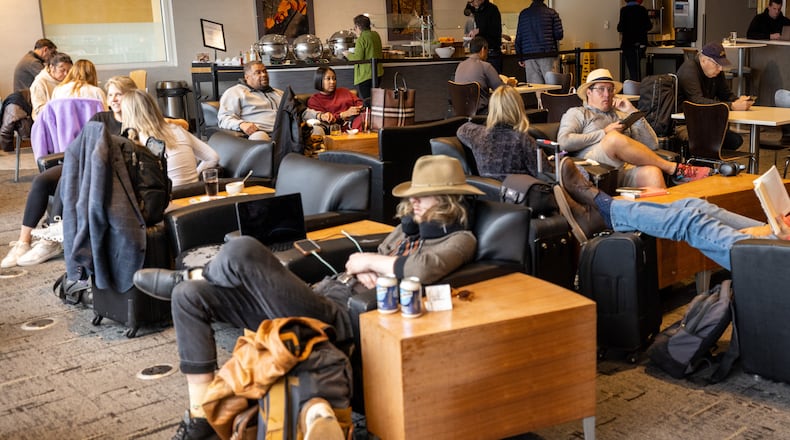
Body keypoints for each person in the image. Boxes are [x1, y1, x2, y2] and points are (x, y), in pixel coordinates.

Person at [131, 155, 482, 439]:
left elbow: (422, 269)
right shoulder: (405, 233)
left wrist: (368, 261)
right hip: (319, 294)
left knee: (243, 249)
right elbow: (393, 265)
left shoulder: (458, 240)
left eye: (425, 194)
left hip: (336, 316)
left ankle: (189, 272)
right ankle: (201, 413)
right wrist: (376, 265)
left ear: (449, 199)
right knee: (190, 297)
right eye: (412, 194)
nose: (413, 201)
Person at [554, 155, 785, 270]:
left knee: (690, 220)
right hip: (781, 237)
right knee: (695, 206)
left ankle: (601, 208)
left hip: (781, 255)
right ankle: (598, 216)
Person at [1, 76, 136, 269]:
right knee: (42, 180)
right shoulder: (100, 118)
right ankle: (24, 241)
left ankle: (51, 240)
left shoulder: (135, 121)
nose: (113, 99)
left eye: (119, 95)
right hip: (84, 163)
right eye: (111, 94)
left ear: (131, 96)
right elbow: (79, 147)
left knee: (68, 178)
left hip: (108, 173)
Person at [557, 68, 712, 188]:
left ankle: (664, 221)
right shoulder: (578, 113)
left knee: (653, 172)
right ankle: (674, 169)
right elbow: (563, 142)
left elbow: (652, 145)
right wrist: (604, 132)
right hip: (593, 166)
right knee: (614, 139)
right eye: (601, 89)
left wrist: (632, 112)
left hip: (622, 169)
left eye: (610, 90)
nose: (607, 94)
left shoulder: (620, 115)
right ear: (589, 92)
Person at [121, 89, 219, 187]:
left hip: (168, 198)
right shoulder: (178, 129)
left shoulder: (139, 140)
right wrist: (195, 174)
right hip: (193, 192)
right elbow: (213, 157)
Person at [456, 85, 549, 180]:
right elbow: (546, 174)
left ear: (492, 109)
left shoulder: (478, 135)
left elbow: (462, 129)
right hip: (520, 193)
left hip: (490, 193)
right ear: (518, 108)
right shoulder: (523, 140)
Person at [676, 42, 751, 150]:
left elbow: (726, 94)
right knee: (727, 140)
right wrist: (731, 106)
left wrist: (739, 100)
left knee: (735, 140)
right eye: (717, 64)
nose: (720, 68)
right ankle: (705, 164)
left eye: (721, 64)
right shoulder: (689, 70)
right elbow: (697, 101)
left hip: (706, 122)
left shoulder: (716, 72)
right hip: (686, 124)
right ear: (703, 60)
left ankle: (712, 164)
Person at [217, 61, 283, 141]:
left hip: (286, 132)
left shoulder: (279, 93)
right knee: (259, 137)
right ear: (247, 77)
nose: (264, 75)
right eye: (258, 72)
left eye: (265, 71)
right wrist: (242, 124)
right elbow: (224, 119)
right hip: (261, 132)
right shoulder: (235, 92)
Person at [454, 37, 516, 114]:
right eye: (488, 51)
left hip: (461, 111)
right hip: (481, 111)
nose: (487, 54)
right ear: (483, 49)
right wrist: (509, 84)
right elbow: (500, 89)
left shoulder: (460, 65)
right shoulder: (485, 66)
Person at [515, 0, 564, 84]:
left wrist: (520, 56)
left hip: (529, 55)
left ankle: (539, 98)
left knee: (536, 86)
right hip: (547, 53)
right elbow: (559, 35)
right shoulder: (552, 13)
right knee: (552, 84)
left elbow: (519, 37)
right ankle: (550, 97)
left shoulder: (523, 14)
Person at [304, 66, 364, 132]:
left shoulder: (344, 91)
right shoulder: (314, 101)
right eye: (328, 79)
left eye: (334, 78)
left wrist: (358, 109)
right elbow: (324, 120)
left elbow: (360, 104)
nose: (332, 82)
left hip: (356, 121)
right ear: (319, 80)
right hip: (336, 129)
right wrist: (342, 115)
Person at [343, 14, 383, 103]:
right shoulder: (375, 35)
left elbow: (357, 58)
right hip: (378, 73)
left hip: (366, 75)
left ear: (357, 26)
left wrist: (347, 54)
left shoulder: (362, 38)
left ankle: (369, 117)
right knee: (376, 100)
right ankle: (376, 116)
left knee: (368, 101)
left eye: (355, 27)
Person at [30, 52, 73, 120]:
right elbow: (39, 109)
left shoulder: (67, 81)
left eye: (68, 71)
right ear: (52, 68)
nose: (66, 74)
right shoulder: (40, 82)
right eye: (62, 70)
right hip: (46, 120)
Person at [617, 0, 652, 81]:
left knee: (632, 69)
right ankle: (641, 86)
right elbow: (649, 26)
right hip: (641, 43)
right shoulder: (642, 9)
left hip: (628, 44)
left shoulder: (624, 10)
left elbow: (620, 28)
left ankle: (633, 87)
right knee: (640, 67)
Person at [466, 0, 504, 73]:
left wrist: (479, 30)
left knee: (495, 79)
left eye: (472, 2)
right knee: (482, 79)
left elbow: (496, 30)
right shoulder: (477, 10)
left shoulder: (492, 9)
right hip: (480, 52)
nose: (472, 5)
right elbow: (466, 11)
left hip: (492, 51)